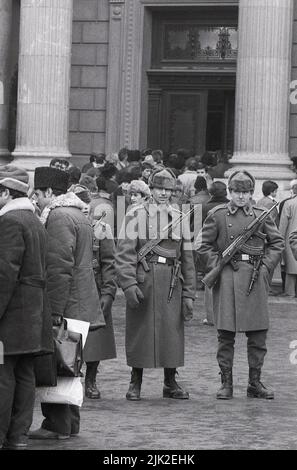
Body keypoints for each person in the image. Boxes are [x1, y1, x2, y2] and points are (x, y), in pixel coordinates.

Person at [29, 167, 105, 440]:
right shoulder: (77, 214)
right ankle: (69, 424)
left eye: (38, 194)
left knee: (59, 363)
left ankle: (56, 424)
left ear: (50, 192)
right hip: (80, 301)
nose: (36, 200)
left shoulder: (59, 217)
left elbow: (59, 268)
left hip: (67, 304)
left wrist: (54, 312)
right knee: (70, 364)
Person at [197, 170, 284, 400]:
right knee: (225, 335)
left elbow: (277, 243)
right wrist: (218, 265)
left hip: (255, 278)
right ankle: (226, 383)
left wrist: (266, 269)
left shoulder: (262, 215)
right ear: (230, 192)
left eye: (245, 192)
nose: (241, 197)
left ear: (251, 193)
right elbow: (203, 245)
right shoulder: (217, 215)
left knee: (257, 336)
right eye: (237, 192)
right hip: (227, 278)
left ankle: (254, 383)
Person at [116, 168, 196, 401]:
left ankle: (170, 382)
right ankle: (135, 381)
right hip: (145, 279)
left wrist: (189, 293)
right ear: (150, 189)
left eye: (168, 189)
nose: (163, 193)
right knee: (140, 332)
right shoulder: (135, 214)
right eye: (159, 188)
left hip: (172, 281)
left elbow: (187, 258)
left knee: (172, 333)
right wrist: (129, 284)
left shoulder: (179, 217)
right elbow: (124, 253)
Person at [0, 166, 52, 450]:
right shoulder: (33, 220)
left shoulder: (10, 223)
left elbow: (4, 274)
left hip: (13, 314)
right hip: (33, 314)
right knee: (24, 375)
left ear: (7, 193)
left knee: (3, 375)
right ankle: (19, 435)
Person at [279, 180, 297, 297]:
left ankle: (290, 294)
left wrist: (279, 241)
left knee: (291, 271)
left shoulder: (289, 203)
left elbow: (282, 226)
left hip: (291, 240)